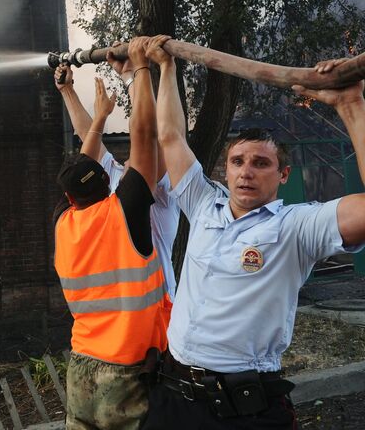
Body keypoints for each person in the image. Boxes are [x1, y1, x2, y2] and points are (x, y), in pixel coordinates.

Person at [140, 36, 365, 429]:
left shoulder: (297, 227)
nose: (246, 171)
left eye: (261, 163)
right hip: (172, 398)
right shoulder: (202, 203)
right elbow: (172, 137)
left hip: (243, 411)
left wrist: (351, 106)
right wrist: (166, 67)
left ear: (283, 175)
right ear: (225, 170)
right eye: (237, 161)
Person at [54, 37, 171, 429]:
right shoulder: (128, 206)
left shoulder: (63, 222)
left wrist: (71, 93)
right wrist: (141, 71)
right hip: (128, 363)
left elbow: (84, 160)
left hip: (81, 363)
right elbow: (146, 135)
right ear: (107, 181)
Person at [54, 57, 179, 301]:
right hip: (150, 320)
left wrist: (68, 93)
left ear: (69, 198)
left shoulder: (68, 221)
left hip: (102, 329)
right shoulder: (129, 195)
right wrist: (133, 75)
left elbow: (86, 143)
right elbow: (147, 132)